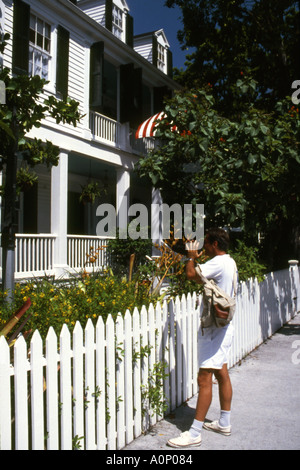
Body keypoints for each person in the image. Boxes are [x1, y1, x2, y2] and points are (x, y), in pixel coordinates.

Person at [167, 228, 238, 448]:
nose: (203, 247)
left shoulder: (218, 262)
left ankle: (195, 432)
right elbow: (203, 281)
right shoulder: (230, 262)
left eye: (206, 243)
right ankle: (224, 422)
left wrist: (190, 258)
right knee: (222, 372)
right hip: (224, 327)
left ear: (215, 244)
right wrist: (196, 260)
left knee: (204, 378)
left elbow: (191, 276)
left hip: (214, 330)